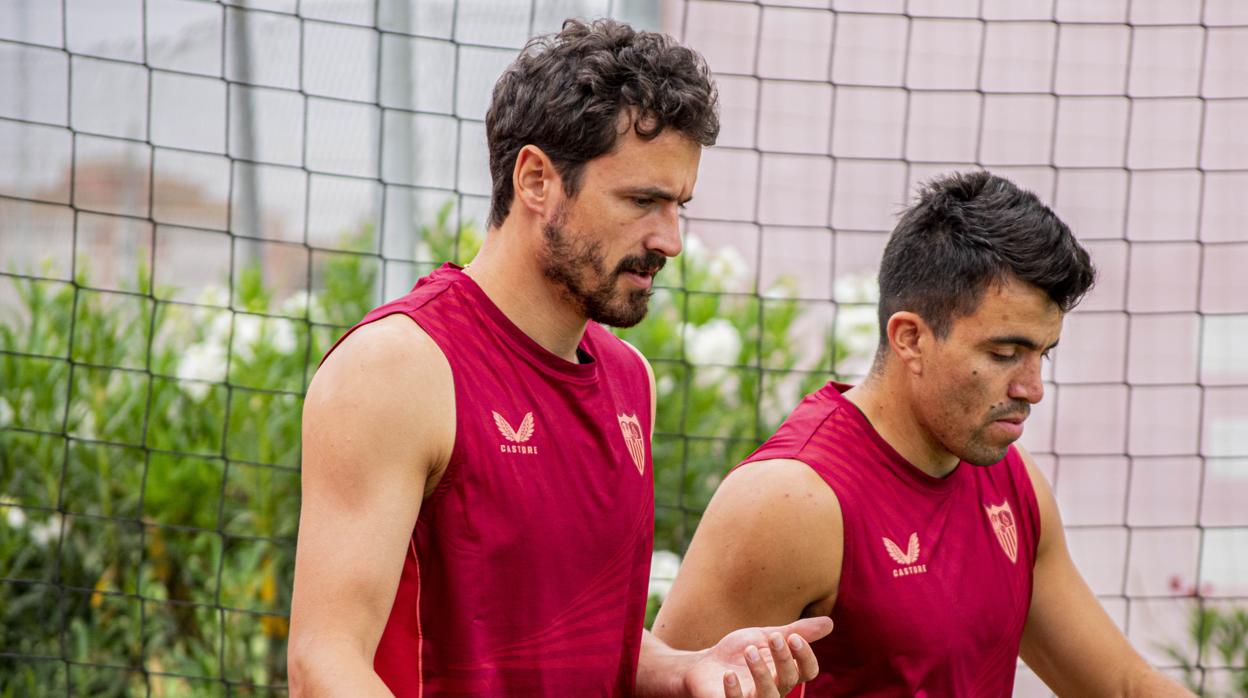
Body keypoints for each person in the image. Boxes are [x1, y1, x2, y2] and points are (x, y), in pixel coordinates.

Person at [286, 18, 832, 698]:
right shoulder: (399, 367)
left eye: (679, 206)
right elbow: (325, 664)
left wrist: (686, 666)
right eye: (643, 201)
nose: (671, 240)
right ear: (538, 180)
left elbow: (582, 634)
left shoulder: (632, 383)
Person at [652, 171, 1194, 696]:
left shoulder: (1013, 479)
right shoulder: (791, 501)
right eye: (1005, 354)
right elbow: (671, 687)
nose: (1033, 388)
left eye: (1041, 354)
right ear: (910, 337)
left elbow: (1122, 686)